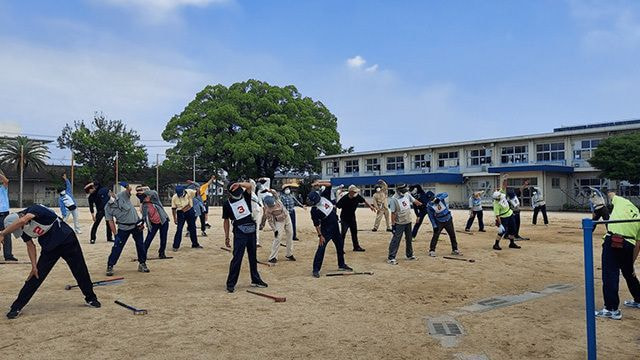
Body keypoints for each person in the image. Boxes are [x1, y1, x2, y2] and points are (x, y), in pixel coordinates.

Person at [1, 204, 101, 319]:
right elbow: (30, 245)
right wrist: (34, 266)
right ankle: (16, 307)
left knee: (80, 270)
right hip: (50, 248)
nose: (22, 230)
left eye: (20, 227)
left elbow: (23, 220)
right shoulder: (23, 229)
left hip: (67, 240)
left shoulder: (35, 209)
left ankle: (91, 298)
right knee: (36, 275)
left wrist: (2, 233)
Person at [595, 190, 640, 320]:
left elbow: (611, 194)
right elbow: (638, 244)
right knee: (628, 272)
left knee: (610, 273)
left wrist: (601, 199)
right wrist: (630, 263)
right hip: (629, 245)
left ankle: (611, 309)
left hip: (614, 240)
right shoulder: (638, 215)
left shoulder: (622, 201)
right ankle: (639, 298)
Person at [223, 182, 268, 293]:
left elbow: (249, 186)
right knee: (237, 258)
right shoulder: (227, 204)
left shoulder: (245, 196)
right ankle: (231, 283)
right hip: (239, 233)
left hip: (251, 231)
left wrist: (238, 184)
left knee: (253, 257)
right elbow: (226, 221)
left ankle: (255, 279)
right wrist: (227, 237)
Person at [308, 180, 353, 278]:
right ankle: (316, 269)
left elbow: (330, 184)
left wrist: (319, 183)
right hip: (326, 229)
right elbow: (316, 224)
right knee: (321, 248)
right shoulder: (314, 210)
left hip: (335, 226)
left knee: (340, 245)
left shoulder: (324, 196)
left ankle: (341, 264)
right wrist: (320, 235)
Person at [105, 182, 150, 275]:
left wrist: (126, 185)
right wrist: (115, 234)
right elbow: (110, 221)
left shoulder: (122, 195)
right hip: (123, 228)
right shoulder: (107, 207)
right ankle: (110, 266)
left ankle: (142, 263)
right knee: (117, 247)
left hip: (136, 225)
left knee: (140, 245)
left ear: (111, 193)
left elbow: (129, 190)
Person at [387, 184, 422, 265]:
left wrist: (422, 204)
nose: (404, 192)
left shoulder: (407, 194)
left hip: (408, 221)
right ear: (398, 191)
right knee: (396, 240)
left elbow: (414, 201)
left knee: (409, 239)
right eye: (402, 191)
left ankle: (409, 255)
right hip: (399, 223)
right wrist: (393, 225)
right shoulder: (393, 200)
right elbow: (393, 213)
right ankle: (391, 257)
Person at [336, 185, 376, 252]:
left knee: (354, 233)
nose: (355, 193)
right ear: (350, 192)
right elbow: (337, 206)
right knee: (343, 234)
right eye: (354, 192)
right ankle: (340, 249)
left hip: (352, 218)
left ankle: (356, 247)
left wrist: (371, 207)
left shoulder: (357, 197)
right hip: (344, 219)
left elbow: (364, 201)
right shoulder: (344, 198)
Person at [137, 187, 170, 259]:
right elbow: (144, 216)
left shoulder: (155, 201)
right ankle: (143, 253)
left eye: (146, 197)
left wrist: (144, 191)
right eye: (144, 198)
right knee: (149, 238)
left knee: (163, 238)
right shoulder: (144, 206)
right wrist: (143, 224)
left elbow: (154, 193)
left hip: (163, 221)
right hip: (153, 223)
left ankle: (162, 253)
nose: (146, 198)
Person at [426, 191, 462, 257]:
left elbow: (446, 194)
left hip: (448, 218)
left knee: (452, 234)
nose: (432, 199)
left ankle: (455, 249)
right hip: (439, 221)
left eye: (432, 198)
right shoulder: (429, 206)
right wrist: (434, 225)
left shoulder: (439, 197)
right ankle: (432, 250)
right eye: (430, 199)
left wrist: (439, 198)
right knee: (436, 235)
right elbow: (431, 217)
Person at [263, 190, 296, 263]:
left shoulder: (277, 200)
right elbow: (270, 221)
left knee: (290, 234)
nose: (273, 205)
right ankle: (273, 257)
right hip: (278, 221)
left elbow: (274, 193)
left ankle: (289, 254)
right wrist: (275, 230)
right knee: (278, 237)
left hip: (287, 217)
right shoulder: (267, 210)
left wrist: (269, 190)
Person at [492, 175, 521, 251]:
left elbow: (504, 186)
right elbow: (497, 216)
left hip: (510, 214)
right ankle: (496, 244)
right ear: (497, 198)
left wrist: (504, 179)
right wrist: (500, 224)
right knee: (502, 231)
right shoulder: (496, 205)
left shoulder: (501, 195)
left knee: (513, 229)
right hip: (503, 218)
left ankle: (512, 243)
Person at [171, 184, 202, 251]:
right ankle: (175, 246)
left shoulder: (189, 192)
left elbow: (197, 194)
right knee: (179, 229)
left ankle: (195, 244)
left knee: (192, 228)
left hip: (190, 211)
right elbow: (173, 209)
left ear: (184, 191)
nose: (180, 195)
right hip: (180, 213)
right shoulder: (174, 197)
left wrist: (198, 189)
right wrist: (175, 218)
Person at [0, 171, 18, 261]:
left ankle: (8, 255)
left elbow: (6, 181)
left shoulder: (3, 187)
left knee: (6, 234)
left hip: (3, 214)